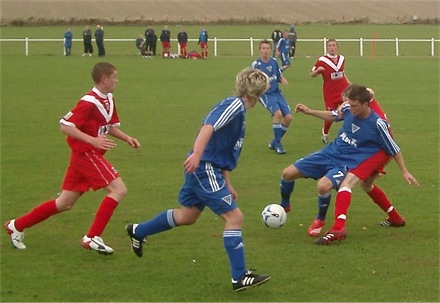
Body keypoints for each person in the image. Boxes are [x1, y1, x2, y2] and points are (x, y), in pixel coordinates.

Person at [125, 67, 271, 292]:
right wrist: (196, 154)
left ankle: (138, 230)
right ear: (259, 92)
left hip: (208, 168)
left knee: (187, 216)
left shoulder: (240, 111)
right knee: (235, 217)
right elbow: (208, 127)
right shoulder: (234, 105)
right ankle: (239, 277)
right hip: (204, 168)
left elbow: (222, 150)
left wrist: (227, 182)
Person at [4, 62, 141, 255]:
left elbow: (107, 126)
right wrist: (93, 141)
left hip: (85, 156)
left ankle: (16, 225)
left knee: (64, 203)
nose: (117, 81)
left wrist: (127, 138)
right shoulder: (88, 102)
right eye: (114, 77)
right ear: (104, 79)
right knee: (119, 190)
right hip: (86, 154)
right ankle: (92, 237)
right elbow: (65, 126)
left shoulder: (108, 98)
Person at [278, 85, 417, 244]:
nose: (350, 108)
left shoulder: (378, 124)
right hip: (329, 152)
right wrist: (309, 111)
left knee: (325, 186)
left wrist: (405, 172)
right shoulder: (347, 108)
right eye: (349, 104)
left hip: (348, 162)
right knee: (287, 174)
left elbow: (393, 148)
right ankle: (285, 204)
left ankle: (322, 220)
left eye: (354, 105)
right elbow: (334, 115)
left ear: (366, 104)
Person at [251, 40, 292, 154]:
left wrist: (281, 79)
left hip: (277, 92)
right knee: (277, 114)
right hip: (265, 95)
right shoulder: (256, 64)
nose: (266, 51)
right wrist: (262, 86)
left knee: (288, 117)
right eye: (263, 48)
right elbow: (252, 81)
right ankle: (278, 144)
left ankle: (274, 142)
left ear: (270, 50)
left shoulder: (274, 61)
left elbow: (277, 75)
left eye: (268, 48)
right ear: (260, 50)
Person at [310, 38, 350, 144]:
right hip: (330, 93)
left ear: (337, 47)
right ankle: (325, 133)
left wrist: (350, 85)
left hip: (343, 92)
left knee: (350, 111)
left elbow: (342, 73)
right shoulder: (322, 60)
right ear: (327, 48)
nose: (332, 47)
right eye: (330, 45)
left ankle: (350, 133)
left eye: (334, 45)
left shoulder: (342, 58)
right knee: (330, 115)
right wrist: (318, 71)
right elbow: (312, 74)